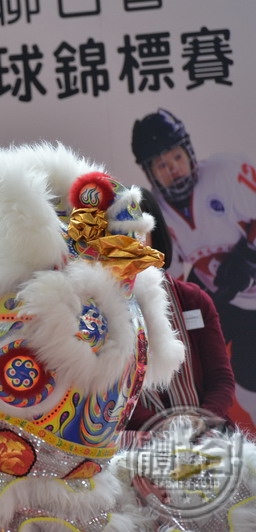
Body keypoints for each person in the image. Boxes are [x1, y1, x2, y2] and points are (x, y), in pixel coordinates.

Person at [131, 108, 256, 424]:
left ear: (188, 152)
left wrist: (248, 254)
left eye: (175, 157)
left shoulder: (228, 172)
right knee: (197, 359)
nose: (172, 169)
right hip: (227, 300)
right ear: (150, 172)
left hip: (244, 290)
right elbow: (166, 280)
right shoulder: (154, 210)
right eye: (161, 164)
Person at [124, 187, 235, 440]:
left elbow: (222, 380)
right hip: (142, 439)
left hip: (207, 432)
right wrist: (163, 427)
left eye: (138, 231)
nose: (131, 241)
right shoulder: (100, 311)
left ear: (155, 233)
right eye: (120, 233)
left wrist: (201, 420)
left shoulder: (193, 299)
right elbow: (109, 394)